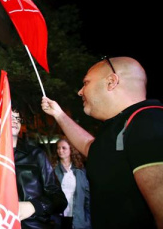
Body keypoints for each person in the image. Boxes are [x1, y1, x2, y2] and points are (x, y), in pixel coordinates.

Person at [41, 56, 163, 228]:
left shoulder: (149, 123)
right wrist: (59, 115)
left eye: (86, 83)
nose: (80, 91)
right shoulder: (120, 127)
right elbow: (90, 147)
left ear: (111, 82)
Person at [0, 108, 67, 229]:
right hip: (1, 224)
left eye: (17, 118)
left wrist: (33, 206)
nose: (14, 121)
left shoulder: (37, 155)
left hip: (35, 225)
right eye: (10, 117)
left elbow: (59, 199)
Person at [52, 139, 91, 229]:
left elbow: (87, 196)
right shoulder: (52, 170)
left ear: (71, 150)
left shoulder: (80, 171)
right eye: (58, 148)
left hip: (77, 217)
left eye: (64, 148)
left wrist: (88, 218)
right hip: (59, 218)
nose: (60, 150)